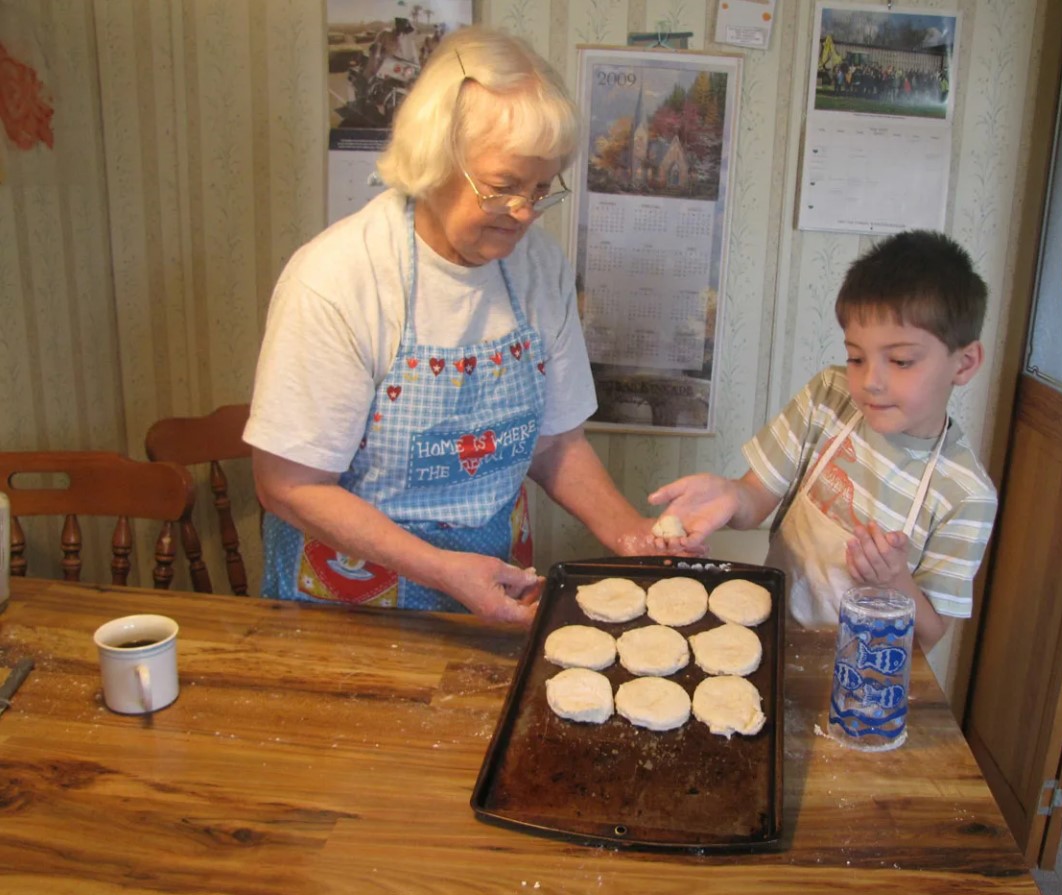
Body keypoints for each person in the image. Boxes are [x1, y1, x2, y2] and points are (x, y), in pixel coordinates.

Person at [245, 26, 661, 625]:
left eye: (542, 189)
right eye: (502, 187)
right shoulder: (340, 279)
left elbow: (556, 445)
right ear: (434, 157)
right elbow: (287, 484)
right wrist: (443, 569)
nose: (524, 214)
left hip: (493, 595)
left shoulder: (539, 268)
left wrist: (634, 536)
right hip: (348, 607)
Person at [650, 231, 998, 650]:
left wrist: (893, 580)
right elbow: (755, 497)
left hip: (863, 678)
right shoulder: (830, 398)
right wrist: (729, 495)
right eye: (856, 357)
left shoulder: (965, 495)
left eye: (901, 361)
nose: (870, 381)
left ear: (965, 363)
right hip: (773, 636)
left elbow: (931, 633)